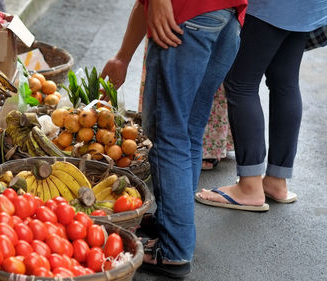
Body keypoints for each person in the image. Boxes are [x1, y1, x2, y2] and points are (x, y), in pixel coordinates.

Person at [102, 0, 247, 277]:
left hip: (187, 17)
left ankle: (172, 251)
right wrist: (123, 56)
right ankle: (172, 222)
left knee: (169, 136)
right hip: (226, 17)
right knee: (189, 130)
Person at [195, 0, 327, 211]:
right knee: (285, 82)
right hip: (309, 5)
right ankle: (276, 181)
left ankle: (250, 186)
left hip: (271, 7)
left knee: (241, 83)